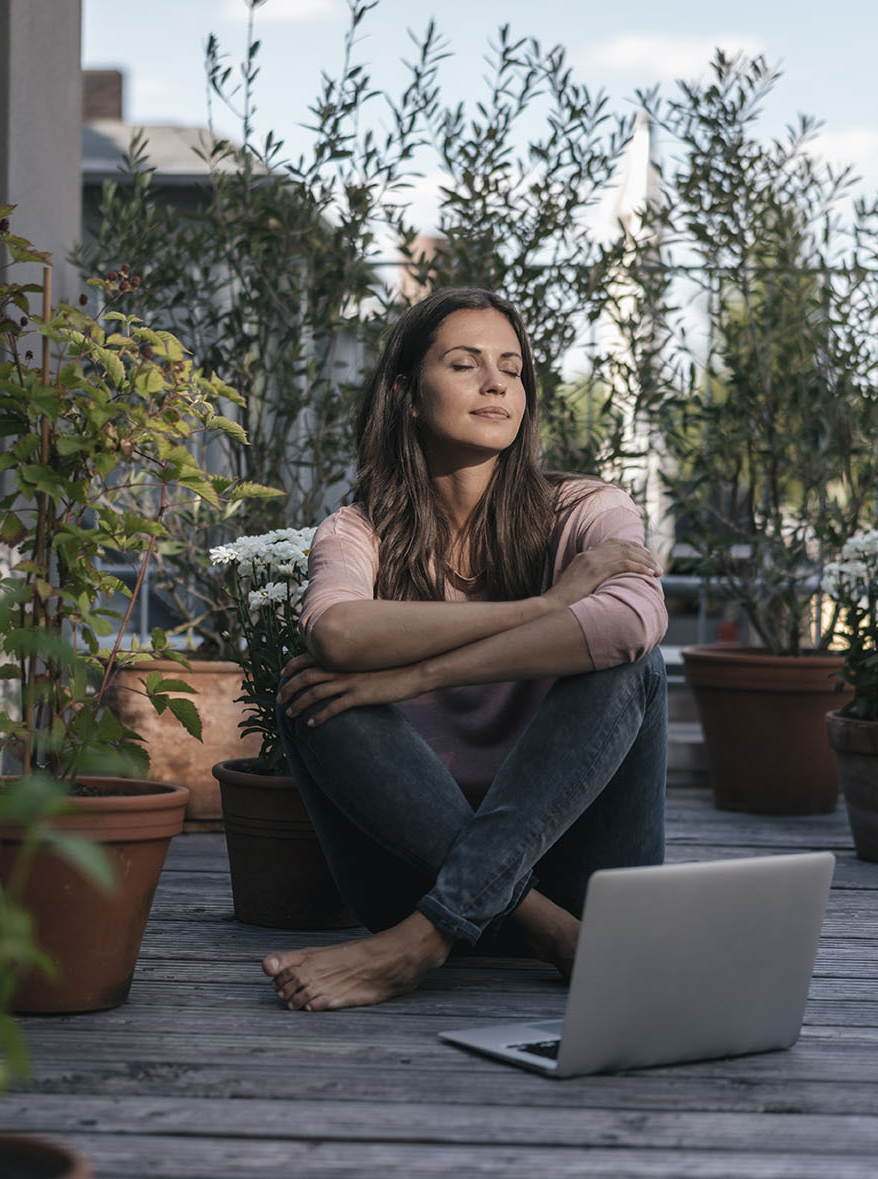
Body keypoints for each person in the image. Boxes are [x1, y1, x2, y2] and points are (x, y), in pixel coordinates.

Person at [265, 287, 669, 1011]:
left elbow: (631, 623)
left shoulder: (588, 510)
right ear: (407, 395)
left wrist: (418, 674)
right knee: (313, 690)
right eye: (465, 363)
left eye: (512, 369)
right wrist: (544, 607)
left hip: (581, 872)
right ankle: (542, 929)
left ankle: (423, 943)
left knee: (632, 668)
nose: (495, 384)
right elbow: (337, 631)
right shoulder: (356, 532)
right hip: (414, 877)